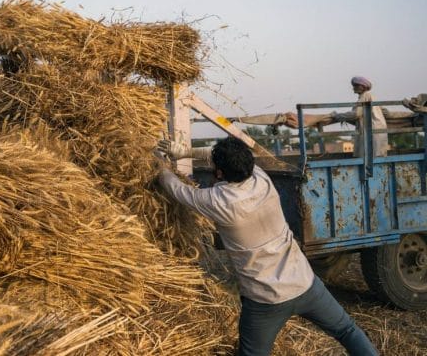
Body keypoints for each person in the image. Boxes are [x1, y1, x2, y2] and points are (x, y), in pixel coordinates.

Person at [155, 137, 378, 356]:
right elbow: (227, 156)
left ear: (220, 173)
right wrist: (187, 151)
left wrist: (160, 163)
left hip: (266, 300)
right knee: (347, 330)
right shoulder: (261, 178)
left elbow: (175, 188)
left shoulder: (218, 201)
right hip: (305, 284)